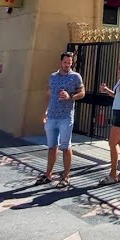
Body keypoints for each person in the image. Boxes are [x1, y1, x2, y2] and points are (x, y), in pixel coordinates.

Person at [35, 51, 85, 188]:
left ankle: (66, 176)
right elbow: (49, 93)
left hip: (65, 117)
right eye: (65, 63)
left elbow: (82, 93)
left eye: (69, 63)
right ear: (60, 62)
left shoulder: (75, 77)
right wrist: (45, 110)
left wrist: (70, 96)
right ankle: (48, 174)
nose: (67, 65)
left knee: (65, 146)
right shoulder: (53, 77)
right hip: (52, 116)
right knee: (51, 146)